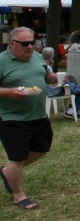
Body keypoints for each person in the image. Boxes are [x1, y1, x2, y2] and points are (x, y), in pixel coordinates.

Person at [0, 27, 59, 210]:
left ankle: (7, 171)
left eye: (32, 42)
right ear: (12, 44)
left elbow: (44, 74)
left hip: (38, 114)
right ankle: (19, 196)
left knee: (42, 148)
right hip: (12, 117)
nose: (30, 47)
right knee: (17, 158)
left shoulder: (36, 56)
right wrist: (9, 92)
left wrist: (52, 77)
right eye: (25, 44)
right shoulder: (2, 61)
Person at [42, 47, 80, 119]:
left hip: (48, 91)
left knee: (79, 89)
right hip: (55, 90)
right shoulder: (47, 67)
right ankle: (70, 112)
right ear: (51, 56)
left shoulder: (42, 65)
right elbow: (54, 83)